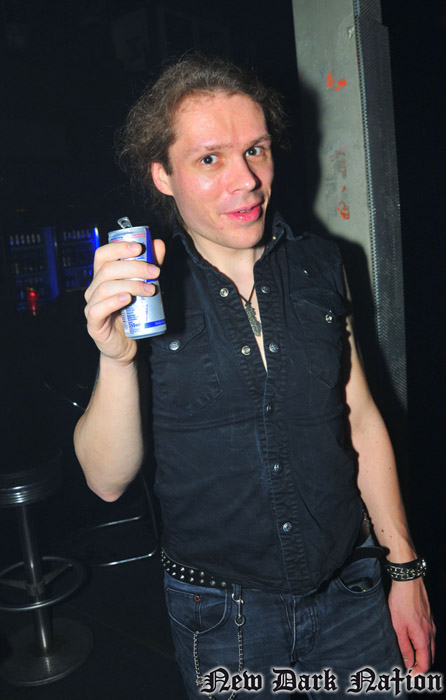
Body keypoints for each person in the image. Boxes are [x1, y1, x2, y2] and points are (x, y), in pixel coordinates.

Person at [74, 55, 435, 698]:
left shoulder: (323, 264)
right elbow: (106, 481)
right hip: (222, 619)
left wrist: (405, 570)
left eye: (256, 150)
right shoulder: (140, 290)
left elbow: (359, 419)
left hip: (353, 588)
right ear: (163, 175)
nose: (245, 180)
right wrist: (116, 357)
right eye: (209, 159)